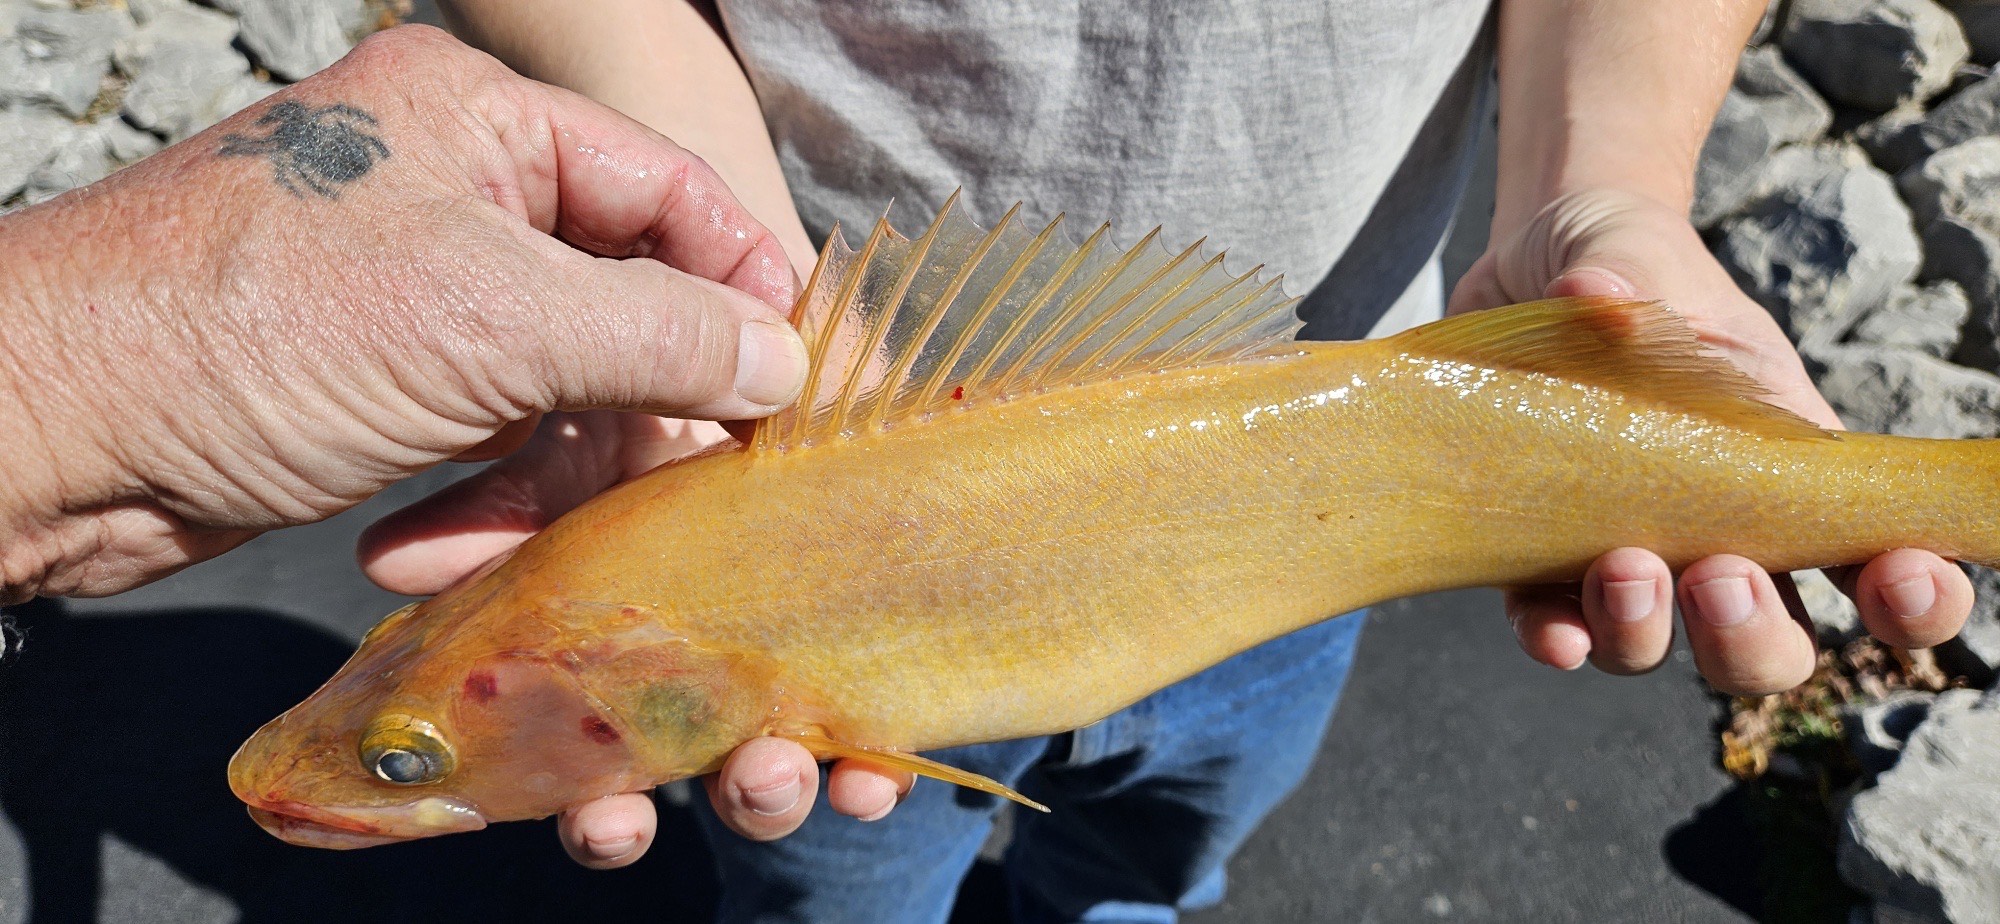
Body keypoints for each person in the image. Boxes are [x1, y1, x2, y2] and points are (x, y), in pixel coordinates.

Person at [0, 9, 1968, 920]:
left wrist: (1608, 185)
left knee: (1173, 820)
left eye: (400, 749)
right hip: (823, 365)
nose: (356, 767)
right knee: (846, 868)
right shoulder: (645, 609)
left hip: (1307, 502)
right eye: (401, 741)